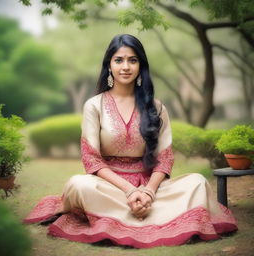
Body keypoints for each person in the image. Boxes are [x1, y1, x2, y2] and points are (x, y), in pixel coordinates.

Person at [24, 34, 237, 248]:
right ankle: (144, 213)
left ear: (140, 66)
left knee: (197, 182)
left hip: (149, 188)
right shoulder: (94, 105)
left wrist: (148, 192)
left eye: (132, 60)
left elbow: (164, 158)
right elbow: (92, 160)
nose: (125, 67)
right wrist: (129, 191)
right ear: (109, 65)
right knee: (79, 184)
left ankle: (133, 211)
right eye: (118, 60)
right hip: (108, 187)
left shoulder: (157, 107)